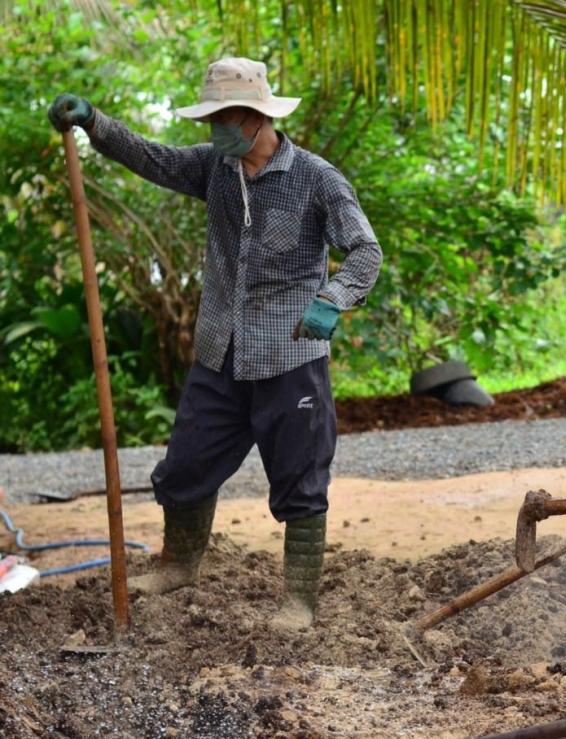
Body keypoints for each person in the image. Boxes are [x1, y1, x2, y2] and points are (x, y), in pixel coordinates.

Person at [47, 57, 382, 630]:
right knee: (184, 466)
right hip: (220, 352)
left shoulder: (317, 178)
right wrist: (94, 123)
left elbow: (365, 251)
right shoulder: (215, 169)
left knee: (301, 479)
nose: (215, 130)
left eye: (225, 119)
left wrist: (333, 299)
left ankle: (298, 601)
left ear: (257, 117)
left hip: (290, 357)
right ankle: (180, 564)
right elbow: (150, 157)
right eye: (211, 120)